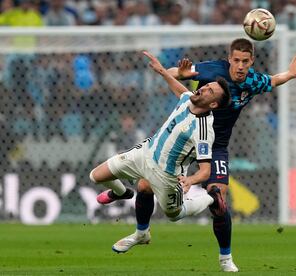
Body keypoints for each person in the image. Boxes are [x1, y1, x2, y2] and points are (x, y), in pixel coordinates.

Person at [113, 39, 296, 272]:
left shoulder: (253, 81)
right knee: (145, 186)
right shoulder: (212, 70)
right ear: (229, 59)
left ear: (252, 62)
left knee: (218, 199)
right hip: (186, 139)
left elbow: (274, 80)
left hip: (216, 147)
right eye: (236, 60)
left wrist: (292, 74)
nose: (240, 66)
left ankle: (225, 258)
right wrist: (182, 73)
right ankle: (141, 233)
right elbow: (176, 73)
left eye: (245, 61)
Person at [90, 50, 231, 238]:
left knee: (175, 215)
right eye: (206, 86)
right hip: (146, 153)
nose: (204, 88)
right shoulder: (188, 99)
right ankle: (122, 193)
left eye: (210, 91)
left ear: (213, 105)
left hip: (168, 176)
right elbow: (179, 89)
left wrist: (190, 180)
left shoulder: (204, 131)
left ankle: (210, 199)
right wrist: (162, 71)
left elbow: (205, 171)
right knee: (96, 176)